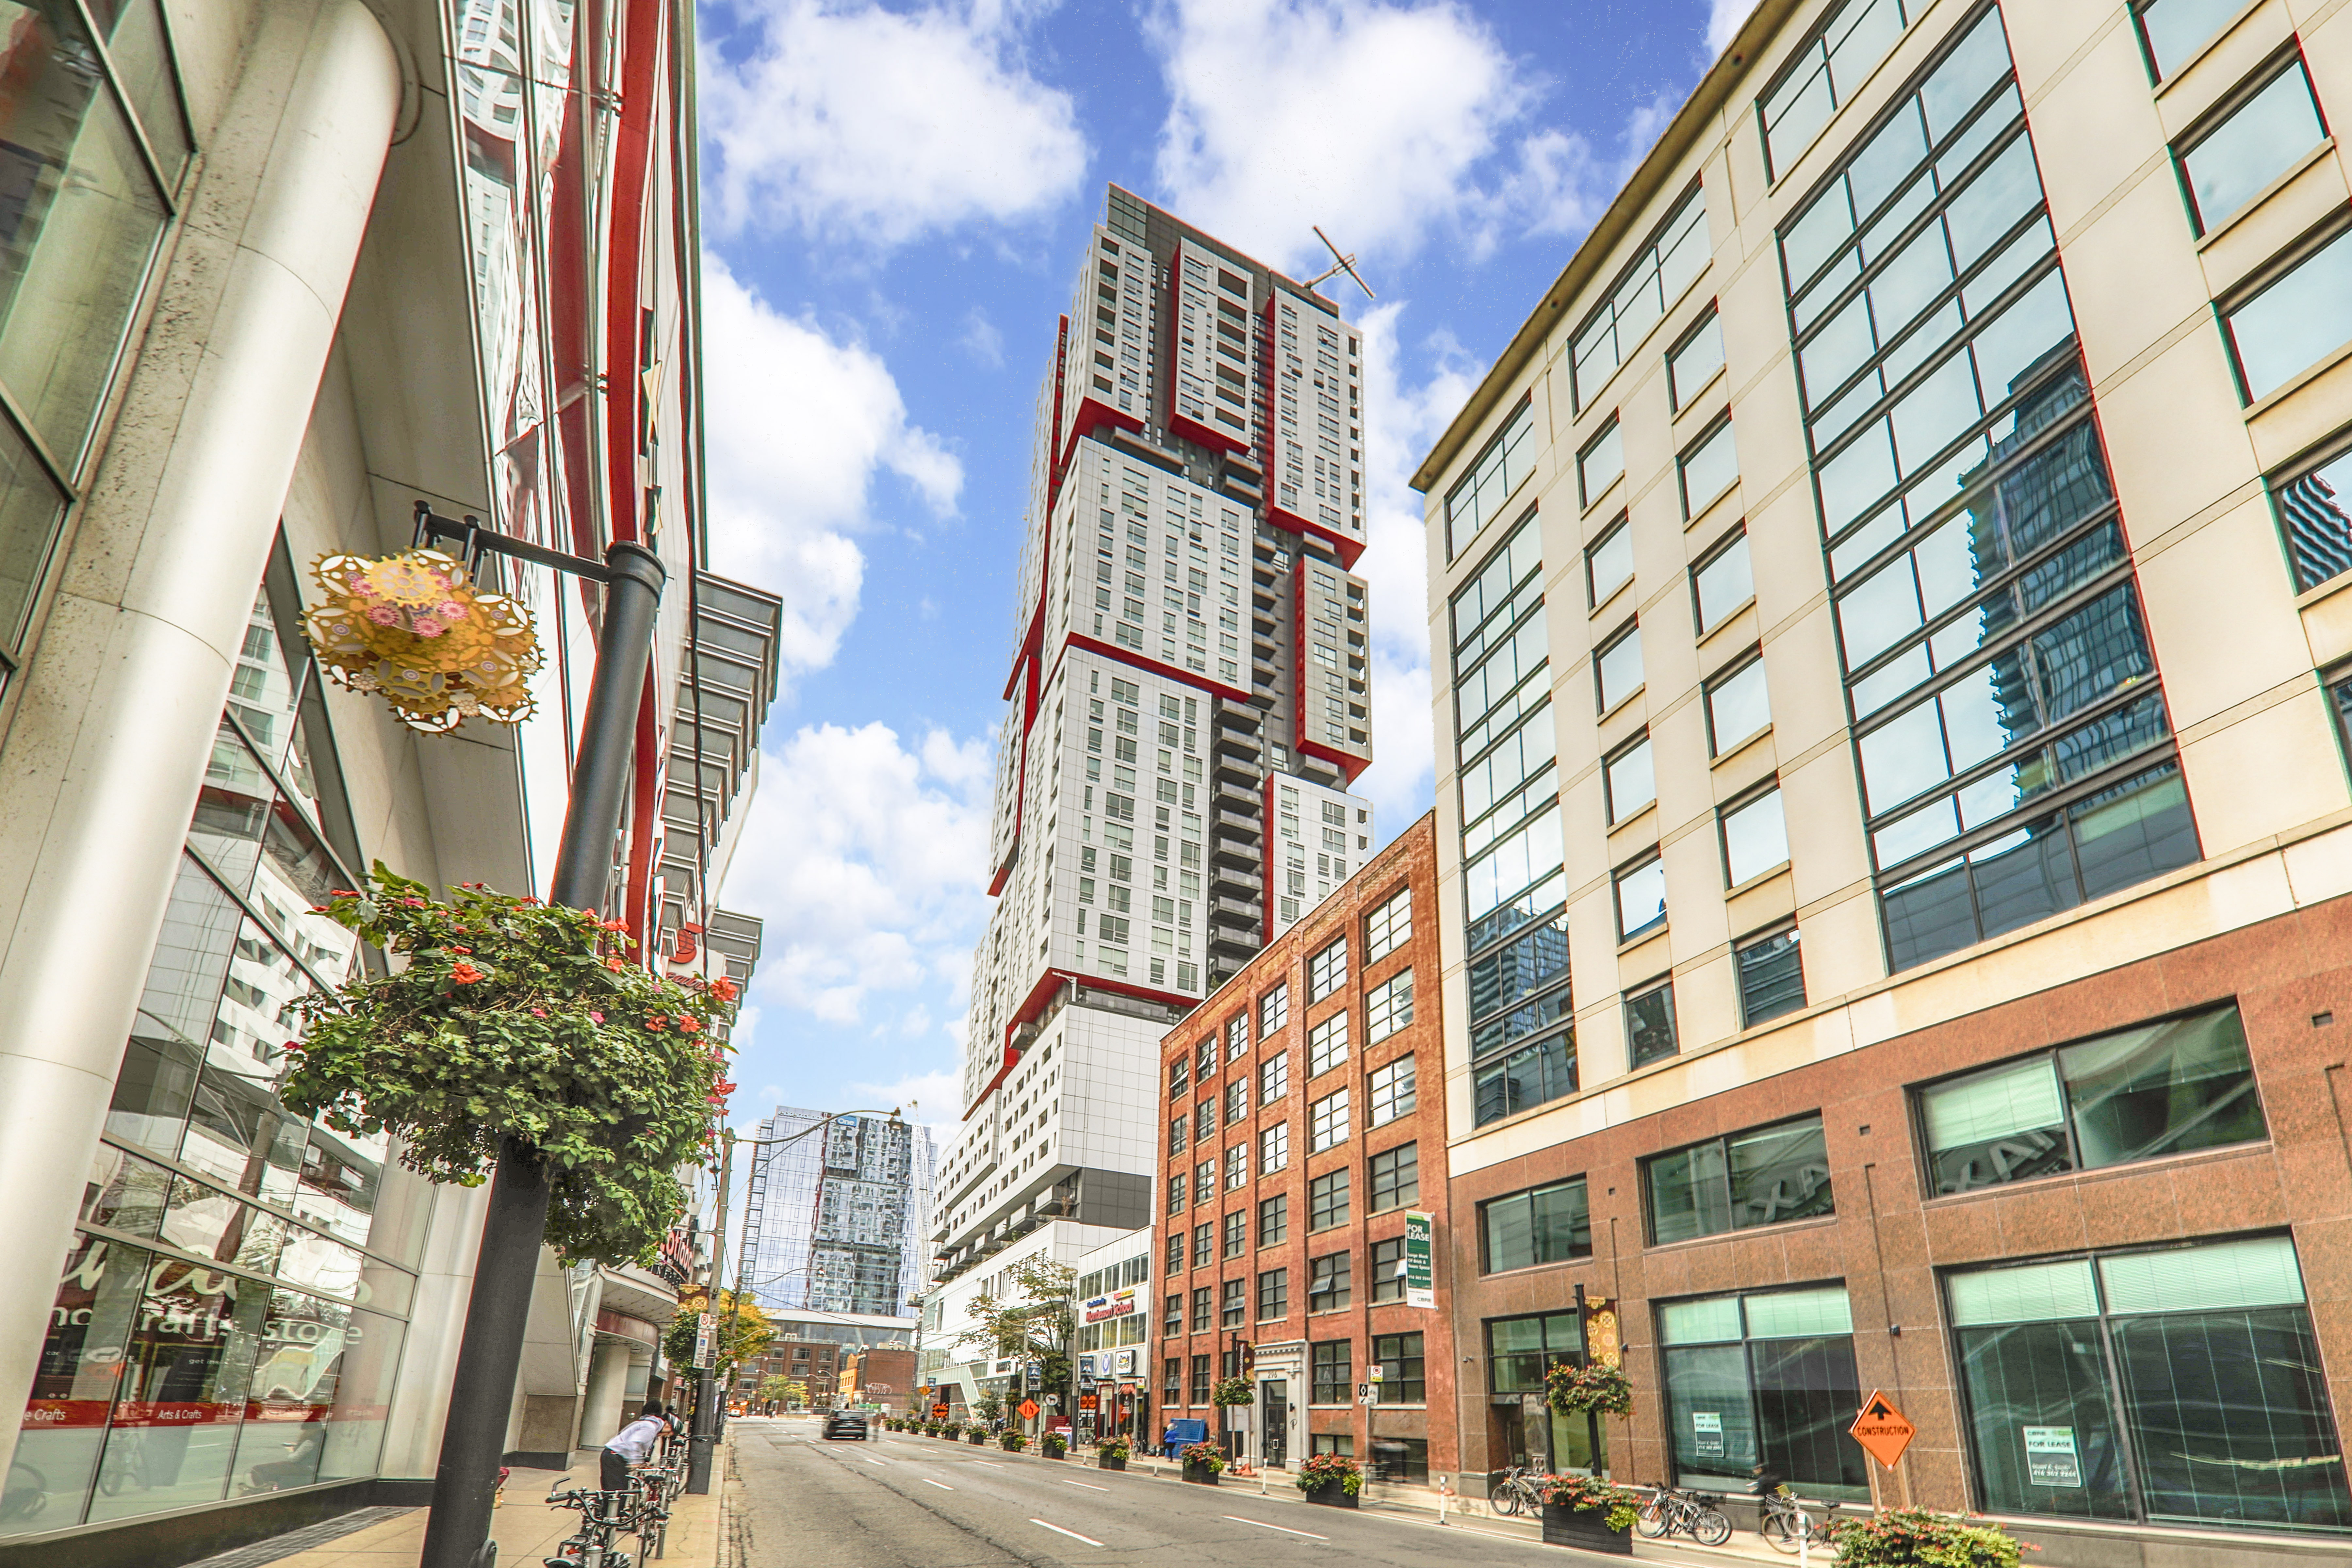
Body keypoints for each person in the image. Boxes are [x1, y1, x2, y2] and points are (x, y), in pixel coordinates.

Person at [603, 1402, 666, 1493]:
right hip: (616, 1456)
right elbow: (634, 1444)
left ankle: (601, 1506)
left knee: (612, 1489)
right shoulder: (650, 1427)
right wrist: (635, 1462)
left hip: (612, 1454)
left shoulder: (642, 1423)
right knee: (618, 1492)